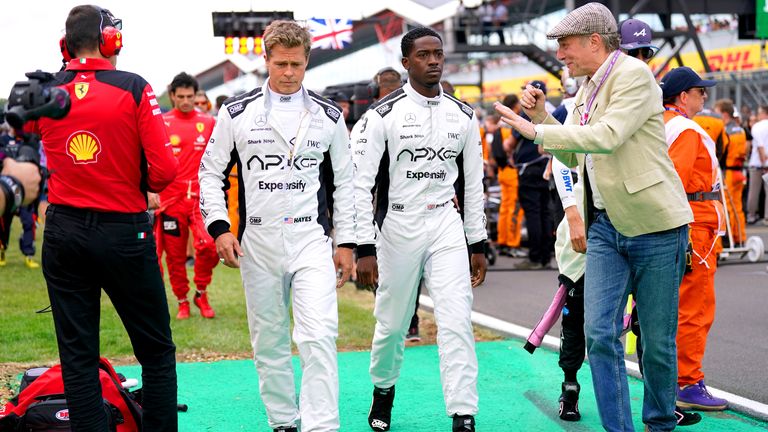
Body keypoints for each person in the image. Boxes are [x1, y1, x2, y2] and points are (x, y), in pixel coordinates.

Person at [494, 3, 693, 430]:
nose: (561, 54)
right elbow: (574, 152)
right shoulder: (587, 87)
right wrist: (541, 117)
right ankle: (618, 428)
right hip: (605, 226)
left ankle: (660, 423)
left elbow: (605, 137)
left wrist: (537, 131)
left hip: (656, 226)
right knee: (599, 334)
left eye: (565, 45)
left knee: (656, 342)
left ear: (594, 42)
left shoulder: (634, 76)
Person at [198, 20, 355, 432]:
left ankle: (321, 426)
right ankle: (284, 421)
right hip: (258, 241)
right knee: (268, 341)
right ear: (265, 60)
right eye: (281, 63)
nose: (288, 73)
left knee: (318, 335)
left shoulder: (330, 115)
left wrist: (348, 242)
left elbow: (345, 180)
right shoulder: (235, 112)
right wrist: (220, 228)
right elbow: (209, 174)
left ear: (308, 62)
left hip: (310, 238)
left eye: (297, 65)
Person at [34, 5, 179, 431]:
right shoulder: (132, 86)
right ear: (110, 39)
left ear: (66, 44)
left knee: (77, 357)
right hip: (122, 232)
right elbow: (165, 172)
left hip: (63, 230)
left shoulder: (45, 91)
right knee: (155, 351)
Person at [354, 27, 487, 432]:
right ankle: (383, 391)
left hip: (445, 223)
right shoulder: (381, 115)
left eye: (438, 54)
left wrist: (476, 241)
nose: (433, 61)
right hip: (397, 225)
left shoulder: (464, 116)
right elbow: (360, 184)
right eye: (424, 55)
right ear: (406, 62)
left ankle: (463, 413)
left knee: (456, 318)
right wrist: (364, 247)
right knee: (392, 323)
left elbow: (473, 183)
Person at [660, 67, 728, 412]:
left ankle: (678, 377)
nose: (705, 96)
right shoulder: (686, 129)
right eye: (700, 91)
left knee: (678, 306)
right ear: (683, 97)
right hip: (695, 224)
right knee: (695, 308)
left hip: (687, 222)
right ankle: (688, 381)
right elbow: (676, 178)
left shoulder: (664, 124)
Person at [151, 72, 218, 320]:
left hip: (201, 200)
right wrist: (151, 190)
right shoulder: (161, 123)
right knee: (175, 257)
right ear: (172, 96)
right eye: (181, 97)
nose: (186, 101)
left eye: (190, 96)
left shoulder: (209, 122)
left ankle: (201, 292)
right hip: (170, 201)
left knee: (210, 246)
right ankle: (182, 300)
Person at [513, 80, 553, 270]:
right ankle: (545, 255)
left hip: (529, 169)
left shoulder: (527, 111)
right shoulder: (552, 110)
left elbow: (511, 141)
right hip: (546, 167)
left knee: (534, 213)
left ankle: (535, 257)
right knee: (545, 212)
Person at [714, 99, 748, 245]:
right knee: (738, 207)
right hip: (739, 171)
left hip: (728, 172)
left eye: (717, 113)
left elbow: (722, 151)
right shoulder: (740, 129)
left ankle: (729, 240)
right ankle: (740, 237)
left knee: (728, 206)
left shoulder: (725, 130)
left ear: (724, 114)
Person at [746, 105, 768, 224]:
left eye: (759, 113)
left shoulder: (757, 126)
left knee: (753, 190)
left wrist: (763, 161)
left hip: (756, 163)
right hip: (767, 163)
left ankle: (751, 215)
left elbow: (759, 146)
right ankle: (767, 217)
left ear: (764, 113)